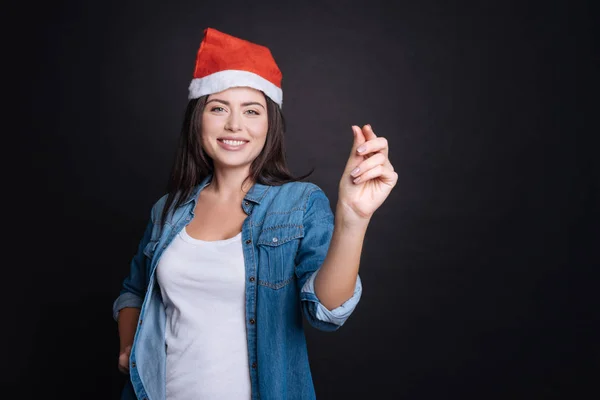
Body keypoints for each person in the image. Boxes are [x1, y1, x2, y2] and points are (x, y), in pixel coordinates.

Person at [112, 27, 398, 400]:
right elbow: (134, 291)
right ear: (198, 118)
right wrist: (128, 349)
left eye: (251, 110)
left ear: (269, 124)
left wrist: (353, 219)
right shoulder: (167, 210)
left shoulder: (299, 204)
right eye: (218, 108)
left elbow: (327, 310)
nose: (235, 125)